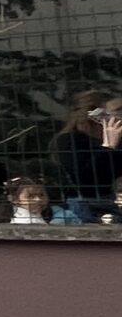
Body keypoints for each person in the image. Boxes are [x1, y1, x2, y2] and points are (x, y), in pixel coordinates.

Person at [51, 88, 122, 224]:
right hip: (85, 210)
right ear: (97, 115)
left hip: (112, 206)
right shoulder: (70, 141)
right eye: (118, 110)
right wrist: (108, 146)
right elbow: (86, 180)